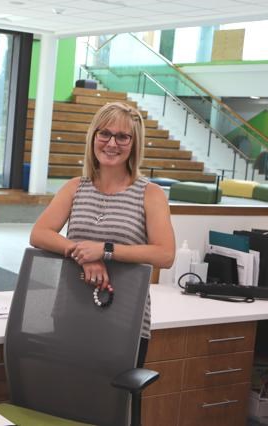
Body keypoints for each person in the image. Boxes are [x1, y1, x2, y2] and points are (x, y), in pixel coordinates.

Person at [30, 101, 175, 366]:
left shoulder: (150, 193)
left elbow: (165, 254)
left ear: (134, 144)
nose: (111, 143)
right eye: (105, 134)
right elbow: (39, 233)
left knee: (113, 403)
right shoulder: (75, 187)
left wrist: (105, 249)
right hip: (70, 312)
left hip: (125, 320)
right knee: (66, 397)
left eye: (122, 137)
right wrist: (83, 254)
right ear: (94, 137)